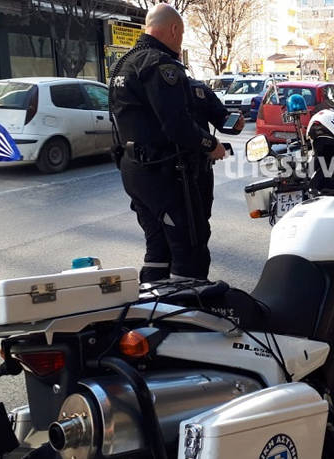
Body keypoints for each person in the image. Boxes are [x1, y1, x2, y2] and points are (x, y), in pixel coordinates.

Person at [109, 3, 227, 283]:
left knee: (158, 248)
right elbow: (177, 125)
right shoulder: (160, 65)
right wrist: (212, 145)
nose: (181, 40)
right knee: (190, 250)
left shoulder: (124, 64)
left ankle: (151, 302)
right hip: (164, 173)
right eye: (181, 34)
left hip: (134, 172)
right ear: (174, 30)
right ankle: (186, 307)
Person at [186, 77, 245, 277]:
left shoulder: (197, 88)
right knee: (189, 235)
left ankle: (193, 284)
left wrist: (235, 124)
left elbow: (223, 120)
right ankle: (190, 287)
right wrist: (211, 145)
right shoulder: (158, 83)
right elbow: (177, 126)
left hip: (197, 170)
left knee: (198, 230)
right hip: (177, 172)